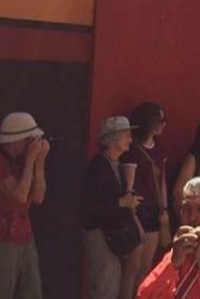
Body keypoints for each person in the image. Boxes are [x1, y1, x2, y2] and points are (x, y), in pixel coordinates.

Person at [0, 112, 50, 299]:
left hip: (23, 234)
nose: (32, 144)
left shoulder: (20, 164)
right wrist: (29, 162)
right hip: (1, 235)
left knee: (31, 289)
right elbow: (19, 195)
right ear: (14, 141)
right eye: (29, 140)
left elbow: (38, 196)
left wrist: (39, 163)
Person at [82, 116, 144, 299]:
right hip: (99, 233)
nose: (130, 140)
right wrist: (121, 203)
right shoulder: (98, 166)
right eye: (126, 135)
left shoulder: (114, 165)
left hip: (110, 235)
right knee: (104, 288)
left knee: (111, 285)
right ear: (113, 137)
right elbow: (88, 207)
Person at [121, 103, 170, 295]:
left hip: (154, 210)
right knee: (132, 267)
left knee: (146, 267)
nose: (163, 125)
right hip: (137, 210)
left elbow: (162, 180)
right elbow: (128, 187)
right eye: (160, 120)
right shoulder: (132, 150)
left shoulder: (160, 149)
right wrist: (132, 215)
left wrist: (164, 208)